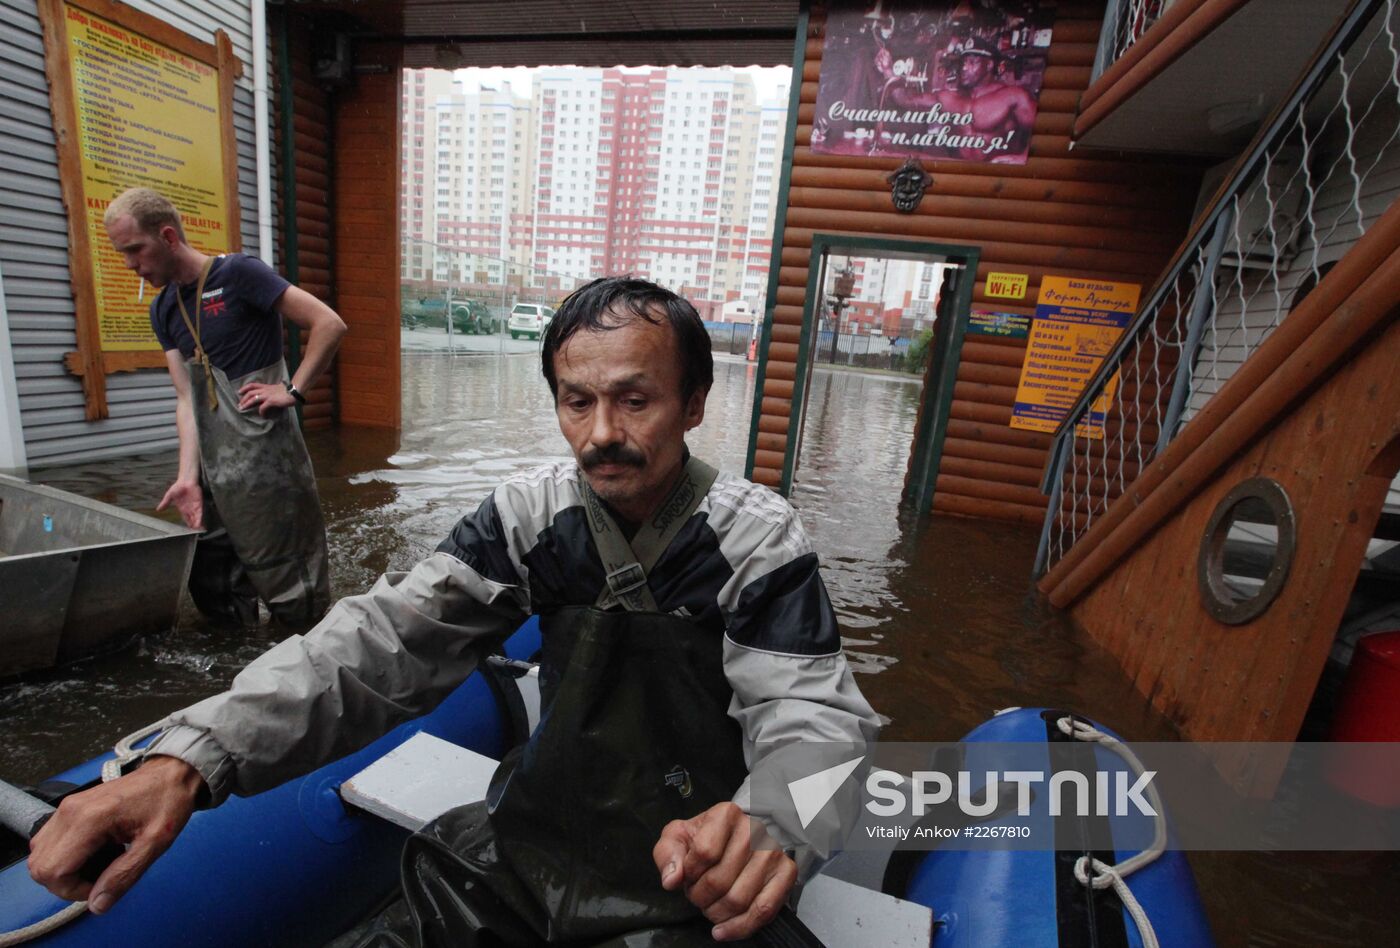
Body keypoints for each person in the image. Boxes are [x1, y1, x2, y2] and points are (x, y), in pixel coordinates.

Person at [29, 277, 880, 945]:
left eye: (635, 399)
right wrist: (190, 758)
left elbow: (815, 724)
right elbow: (378, 643)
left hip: (688, 870)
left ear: (693, 405)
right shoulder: (524, 517)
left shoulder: (758, 540)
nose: (600, 434)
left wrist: (773, 823)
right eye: (576, 401)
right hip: (529, 847)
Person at [103, 187, 346, 628]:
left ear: (168, 236)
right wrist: (187, 478)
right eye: (123, 254)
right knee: (213, 579)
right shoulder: (163, 309)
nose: (130, 264)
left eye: (135, 250)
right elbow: (186, 398)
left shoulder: (238, 274)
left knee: (289, 581)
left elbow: (328, 323)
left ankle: (308, 659)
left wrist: (292, 390)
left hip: (267, 462)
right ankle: (236, 667)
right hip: (215, 468)